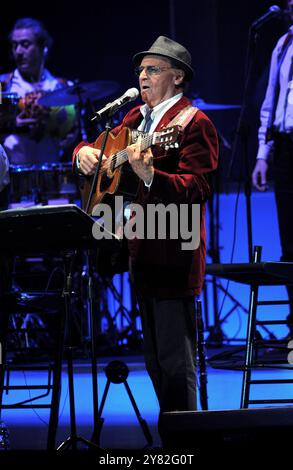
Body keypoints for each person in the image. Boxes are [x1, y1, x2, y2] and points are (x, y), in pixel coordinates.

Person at [73, 36, 218, 435]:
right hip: (140, 249)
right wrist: (83, 152)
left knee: (175, 364)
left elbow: (199, 188)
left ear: (178, 78)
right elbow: (101, 149)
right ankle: (172, 439)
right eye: (141, 70)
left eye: (153, 69)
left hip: (174, 249)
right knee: (155, 362)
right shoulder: (135, 119)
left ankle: (187, 445)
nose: (143, 76)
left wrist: (152, 175)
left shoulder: (194, 123)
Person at [252, 0, 293, 338]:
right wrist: (263, 154)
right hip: (285, 148)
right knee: (290, 241)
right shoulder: (283, 43)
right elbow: (270, 102)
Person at [0, 17, 77, 166]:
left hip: (50, 177)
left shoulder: (61, 87)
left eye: (25, 44)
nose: (18, 51)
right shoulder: (2, 85)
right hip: (10, 177)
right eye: (14, 45)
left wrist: (70, 135)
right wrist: (14, 125)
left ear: (43, 47)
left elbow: (74, 133)